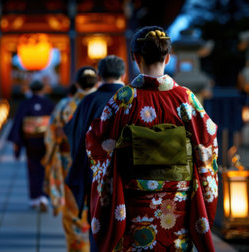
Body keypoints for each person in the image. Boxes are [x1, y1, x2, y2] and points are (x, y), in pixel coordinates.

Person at [85, 26, 218, 251]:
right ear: (168, 57)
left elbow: (98, 142)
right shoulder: (185, 98)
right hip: (177, 201)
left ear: (135, 57)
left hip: (136, 200)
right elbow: (206, 142)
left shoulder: (123, 99)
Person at [64, 56, 126, 252]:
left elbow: (76, 136)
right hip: (129, 174)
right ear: (123, 74)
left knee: (99, 224)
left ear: (99, 75)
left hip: (96, 175)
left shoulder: (88, 101)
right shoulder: (133, 97)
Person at [42, 66, 99, 251]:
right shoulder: (106, 103)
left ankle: (78, 248)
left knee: (74, 209)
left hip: (70, 163)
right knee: (98, 207)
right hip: (98, 166)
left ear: (76, 84)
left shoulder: (65, 106)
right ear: (97, 82)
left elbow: (51, 135)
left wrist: (51, 158)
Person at [8, 80, 55, 211]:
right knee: (46, 168)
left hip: (30, 142)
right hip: (46, 141)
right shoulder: (49, 104)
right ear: (42, 90)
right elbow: (55, 123)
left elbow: (18, 123)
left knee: (33, 169)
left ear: (31, 90)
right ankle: (44, 197)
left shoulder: (25, 104)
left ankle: (34, 199)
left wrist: (17, 144)